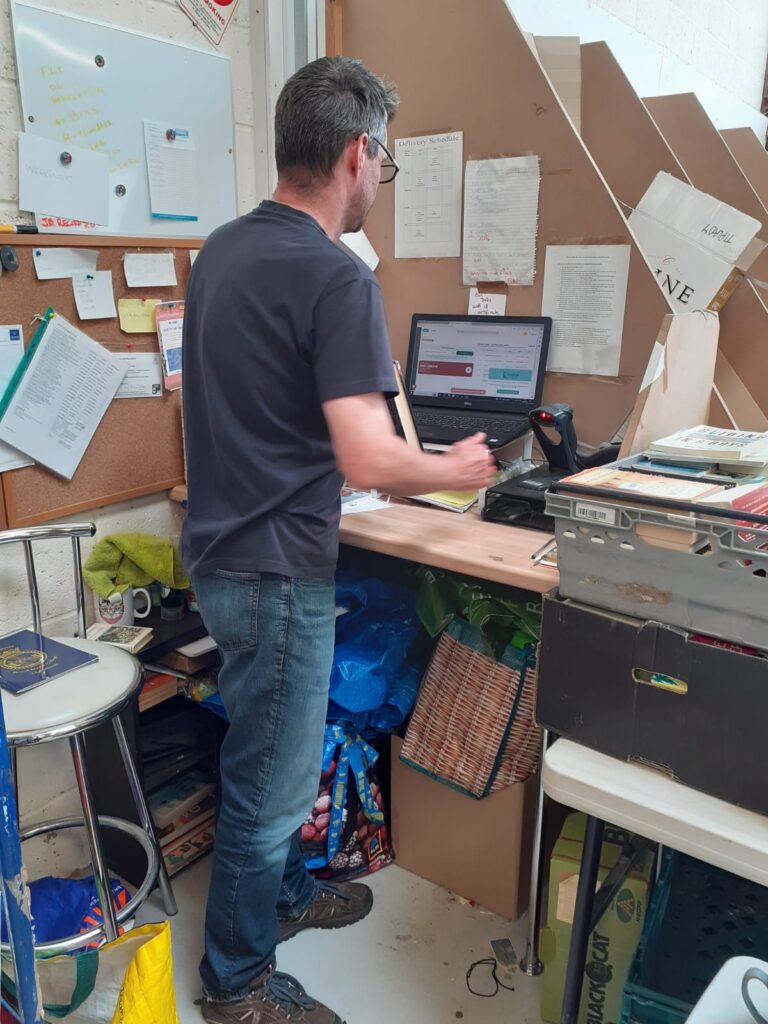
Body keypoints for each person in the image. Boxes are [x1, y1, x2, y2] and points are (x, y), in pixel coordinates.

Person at [181, 55, 496, 1024]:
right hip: (278, 568)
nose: (379, 180)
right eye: (384, 161)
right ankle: (234, 988)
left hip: (221, 552)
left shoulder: (223, 251)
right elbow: (367, 456)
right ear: (360, 152)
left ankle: (279, 897)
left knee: (272, 744)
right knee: (271, 788)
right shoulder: (335, 275)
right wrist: (456, 468)